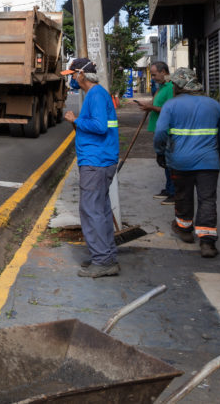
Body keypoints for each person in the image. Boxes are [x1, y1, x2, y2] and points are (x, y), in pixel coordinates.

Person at [152, 67, 220, 258]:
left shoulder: (171, 106)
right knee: (208, 199)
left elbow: (160, 133)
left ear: (178, 86)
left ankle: (185, 230)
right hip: (209, 161)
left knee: (182, 195)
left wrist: (160, 152)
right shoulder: (214, 105)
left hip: (180, 161)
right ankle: (207, 242)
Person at [62, 58, 120, 278]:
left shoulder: (95, 95)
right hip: (100, 160)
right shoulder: (97, 94)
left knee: (92, 211)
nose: (71, 79)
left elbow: (99, 126)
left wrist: (75, 120)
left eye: (72, 74)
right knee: (100, 210)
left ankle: (103, 260)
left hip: (96, 162)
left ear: (81, 75)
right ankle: (105, 256)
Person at [134, 61, 175, 204]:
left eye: (154, 74)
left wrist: (151, 107)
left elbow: (170, 110)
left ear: (163, 72)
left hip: (166, 130)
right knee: (164, 161)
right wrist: (149, 106)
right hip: (159, 129)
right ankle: (169, 188)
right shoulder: (161, 87)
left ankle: (173, 192)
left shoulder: (170, 88)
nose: (153, 77)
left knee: (169, 161)